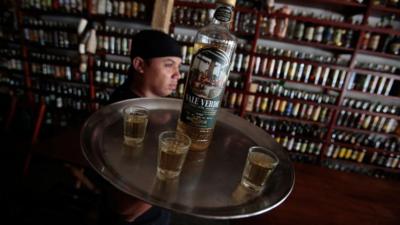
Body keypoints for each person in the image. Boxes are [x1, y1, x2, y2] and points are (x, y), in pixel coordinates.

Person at [100, 29, 182, 225]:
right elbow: (127, 208)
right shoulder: (125, 118)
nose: (177, 75)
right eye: (168, 65)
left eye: (179, 67)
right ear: (139, 65)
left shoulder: (160, 108)